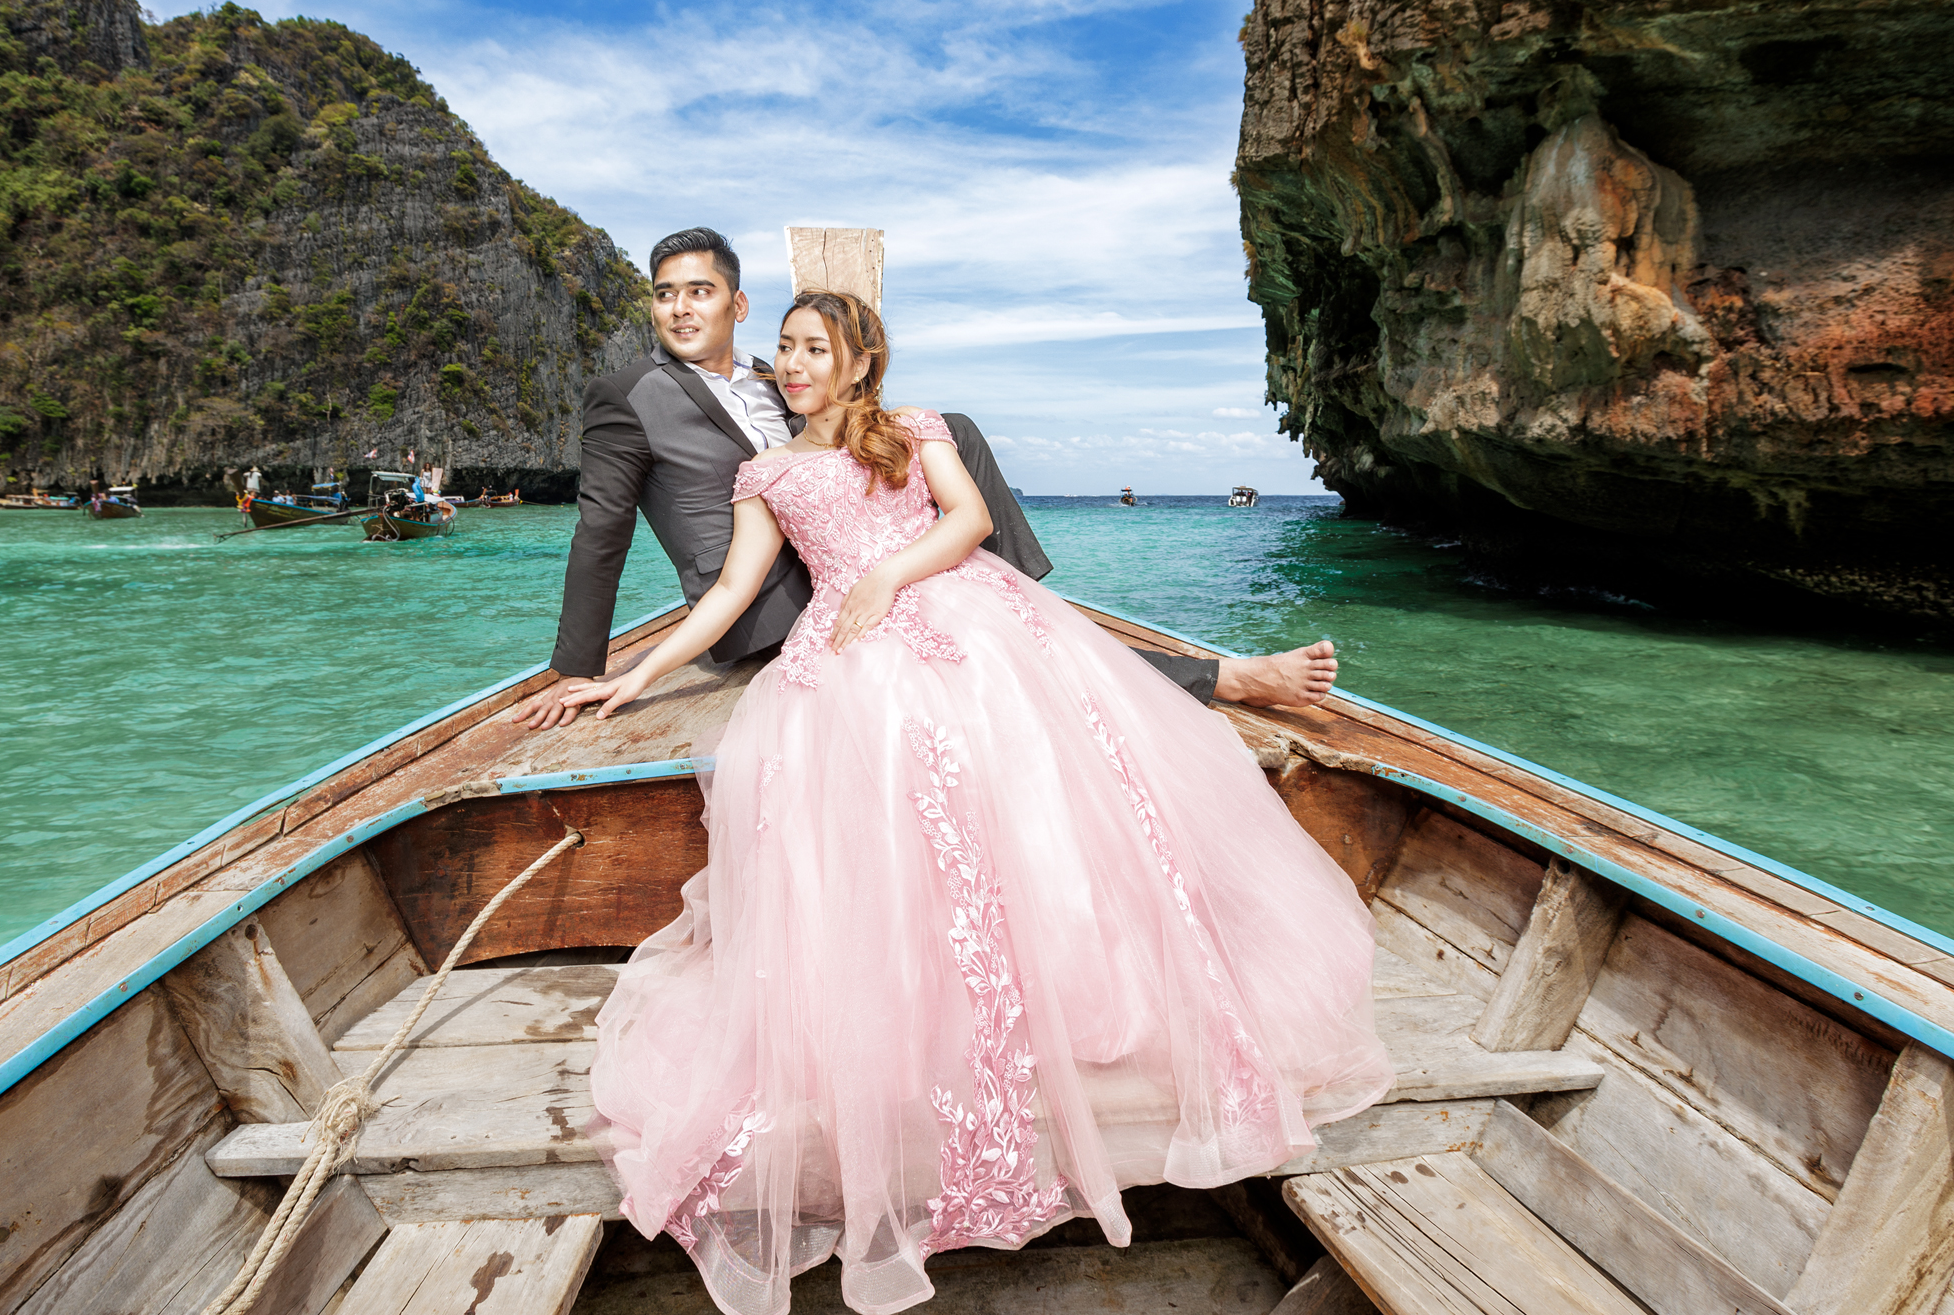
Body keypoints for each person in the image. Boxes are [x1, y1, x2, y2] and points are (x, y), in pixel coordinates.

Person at [556, 291, 1389, 1315]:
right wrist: (627, 678)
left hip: (954, 608)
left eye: (816, 349)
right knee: (866, 778)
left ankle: (1085, 987)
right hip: (845, 659)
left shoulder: (915, 430)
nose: (795, 364)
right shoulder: (762, 471)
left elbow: (972, 519)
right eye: (784, 349)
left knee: (1030, 743)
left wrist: (886, 577)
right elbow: (731, 593)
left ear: (861, 362)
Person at [504, 227, 1339, 731]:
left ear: (737, 304)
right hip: (760, 598)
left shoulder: (776, 373)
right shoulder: (628, 395)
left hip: (836, 559)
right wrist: (578, 672)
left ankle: (1003, 591)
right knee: (983, 603)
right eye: (664, 296)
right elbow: (601, 530)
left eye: (700, 292)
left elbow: (849, 454)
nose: (682, 309)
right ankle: (1039, 610)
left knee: (955, 440)